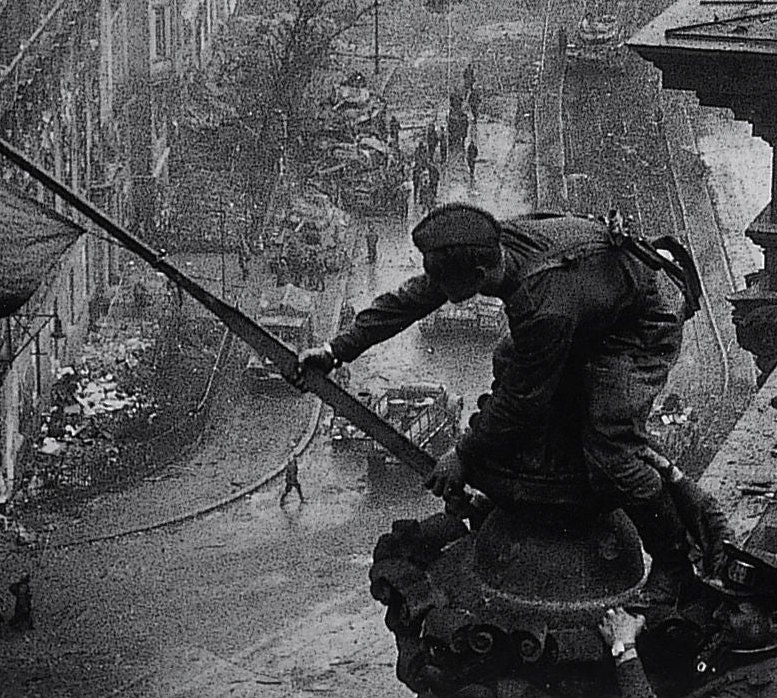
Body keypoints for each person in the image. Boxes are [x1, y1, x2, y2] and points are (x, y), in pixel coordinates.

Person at [297, 203, 717, 601]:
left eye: (443, 281)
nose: (436, 289)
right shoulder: (493, 245)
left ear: (478, 273)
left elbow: (522, 401)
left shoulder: (542, 307)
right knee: (508, 356)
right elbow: (411, 300)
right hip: (602, 299)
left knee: (611, 450)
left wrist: (463, 454)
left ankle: (673, 565)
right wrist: (337, 351)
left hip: (644, 320)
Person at [597, 543, 777, 697]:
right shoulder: (754, 638)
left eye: (734, 610)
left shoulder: (771, 688)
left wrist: (624, 649)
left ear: (776, 621)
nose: (718, 614)